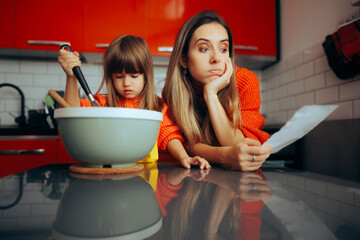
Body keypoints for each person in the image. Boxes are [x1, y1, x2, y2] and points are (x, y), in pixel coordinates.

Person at [58, 35, 210, 169]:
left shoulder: (157, 107)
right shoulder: (101, 104)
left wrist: (184, 157)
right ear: (110, 77)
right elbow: (72, 112)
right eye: (119, 76)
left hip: (147, 174)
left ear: (146, 76)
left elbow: (169, 135)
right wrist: (71, 77)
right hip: (110, 174)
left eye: (134, 76)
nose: (126, 83)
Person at [162, 10, 272, 171]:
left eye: (223, 49)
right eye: (204, 49)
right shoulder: (174, 92)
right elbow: (188, 145)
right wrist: (225, 156)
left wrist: (211, 94)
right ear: (184, 59)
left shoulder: (246, 81)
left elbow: (242, 147)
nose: (216, 58)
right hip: (198, 175)